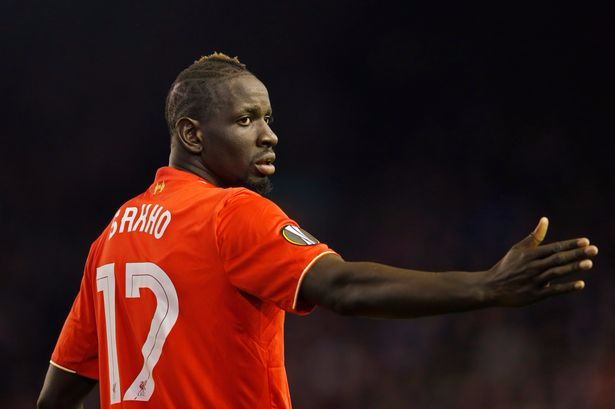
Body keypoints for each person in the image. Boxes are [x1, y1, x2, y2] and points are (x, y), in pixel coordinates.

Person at [37, 52, 598, 409]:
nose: (269, 135)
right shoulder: (230, 212)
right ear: (191, 134)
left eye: (268, 118)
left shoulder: (111, 238)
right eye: (246, 119)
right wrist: (486, 286)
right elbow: (345, 288)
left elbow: (57, 395)